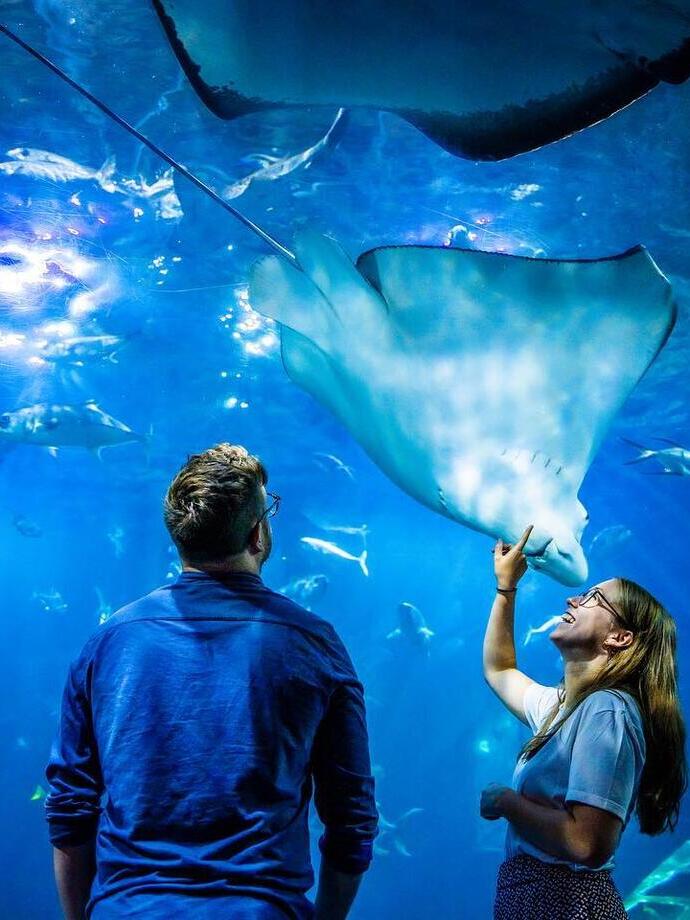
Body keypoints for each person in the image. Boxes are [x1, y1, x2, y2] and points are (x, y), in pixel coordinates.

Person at [45, 443, 378, 920]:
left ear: (180, 538)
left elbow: (70, 807)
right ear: (259, 534)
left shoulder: (109, 642)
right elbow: (352, 818)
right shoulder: (314, 644)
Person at [481, 525, 687, 919]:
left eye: (593, 598)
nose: (573, 598)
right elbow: (500, 670)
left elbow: (585, 843)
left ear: (619, 638)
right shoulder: (567, 708)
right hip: (542, 898)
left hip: (566, 903)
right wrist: (506, 588)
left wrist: (508, 802)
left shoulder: (606, 710)